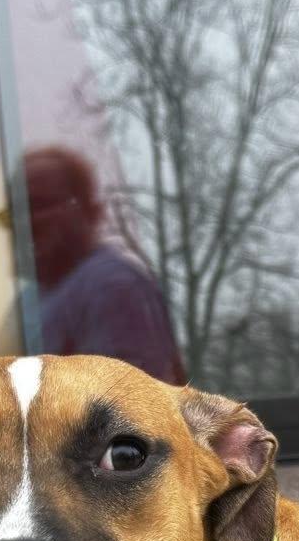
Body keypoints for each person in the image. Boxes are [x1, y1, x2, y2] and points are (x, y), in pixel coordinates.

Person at [20, 145, 185, 384]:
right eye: (16, 211)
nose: (26, 222)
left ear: (88, 211)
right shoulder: (32, 299)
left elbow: (132, 407)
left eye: (39, 204)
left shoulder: (113, 286)